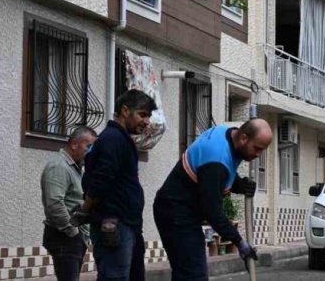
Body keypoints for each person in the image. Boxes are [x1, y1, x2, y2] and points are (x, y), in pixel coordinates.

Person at [153, 119, 274, 280]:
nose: (258, 155)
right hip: (175, 214)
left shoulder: (227, 134)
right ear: (244, 138)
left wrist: (240, 185)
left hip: (180, 210)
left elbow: (221, 174)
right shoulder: (216, 162)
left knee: (189, 273)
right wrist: (240, 243)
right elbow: (213, 212)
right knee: (193, 275)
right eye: (257, 148)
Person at [82, 89, 157, 281]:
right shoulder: (113, 139)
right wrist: (86, 208)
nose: (147, 121)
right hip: (114, 225)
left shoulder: (122, 139)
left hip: (128, 225)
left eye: (148, 116)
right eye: (142, 114)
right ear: (125, 111)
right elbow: (100, 180)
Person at [41, 126, 97, 281]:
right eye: (89, 146)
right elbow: (54, 204)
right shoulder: (59, 166)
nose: (91, 152)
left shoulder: (75, 168)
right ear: (74, 144)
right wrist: (73, 232)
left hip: (72, 238)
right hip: (64, 237)